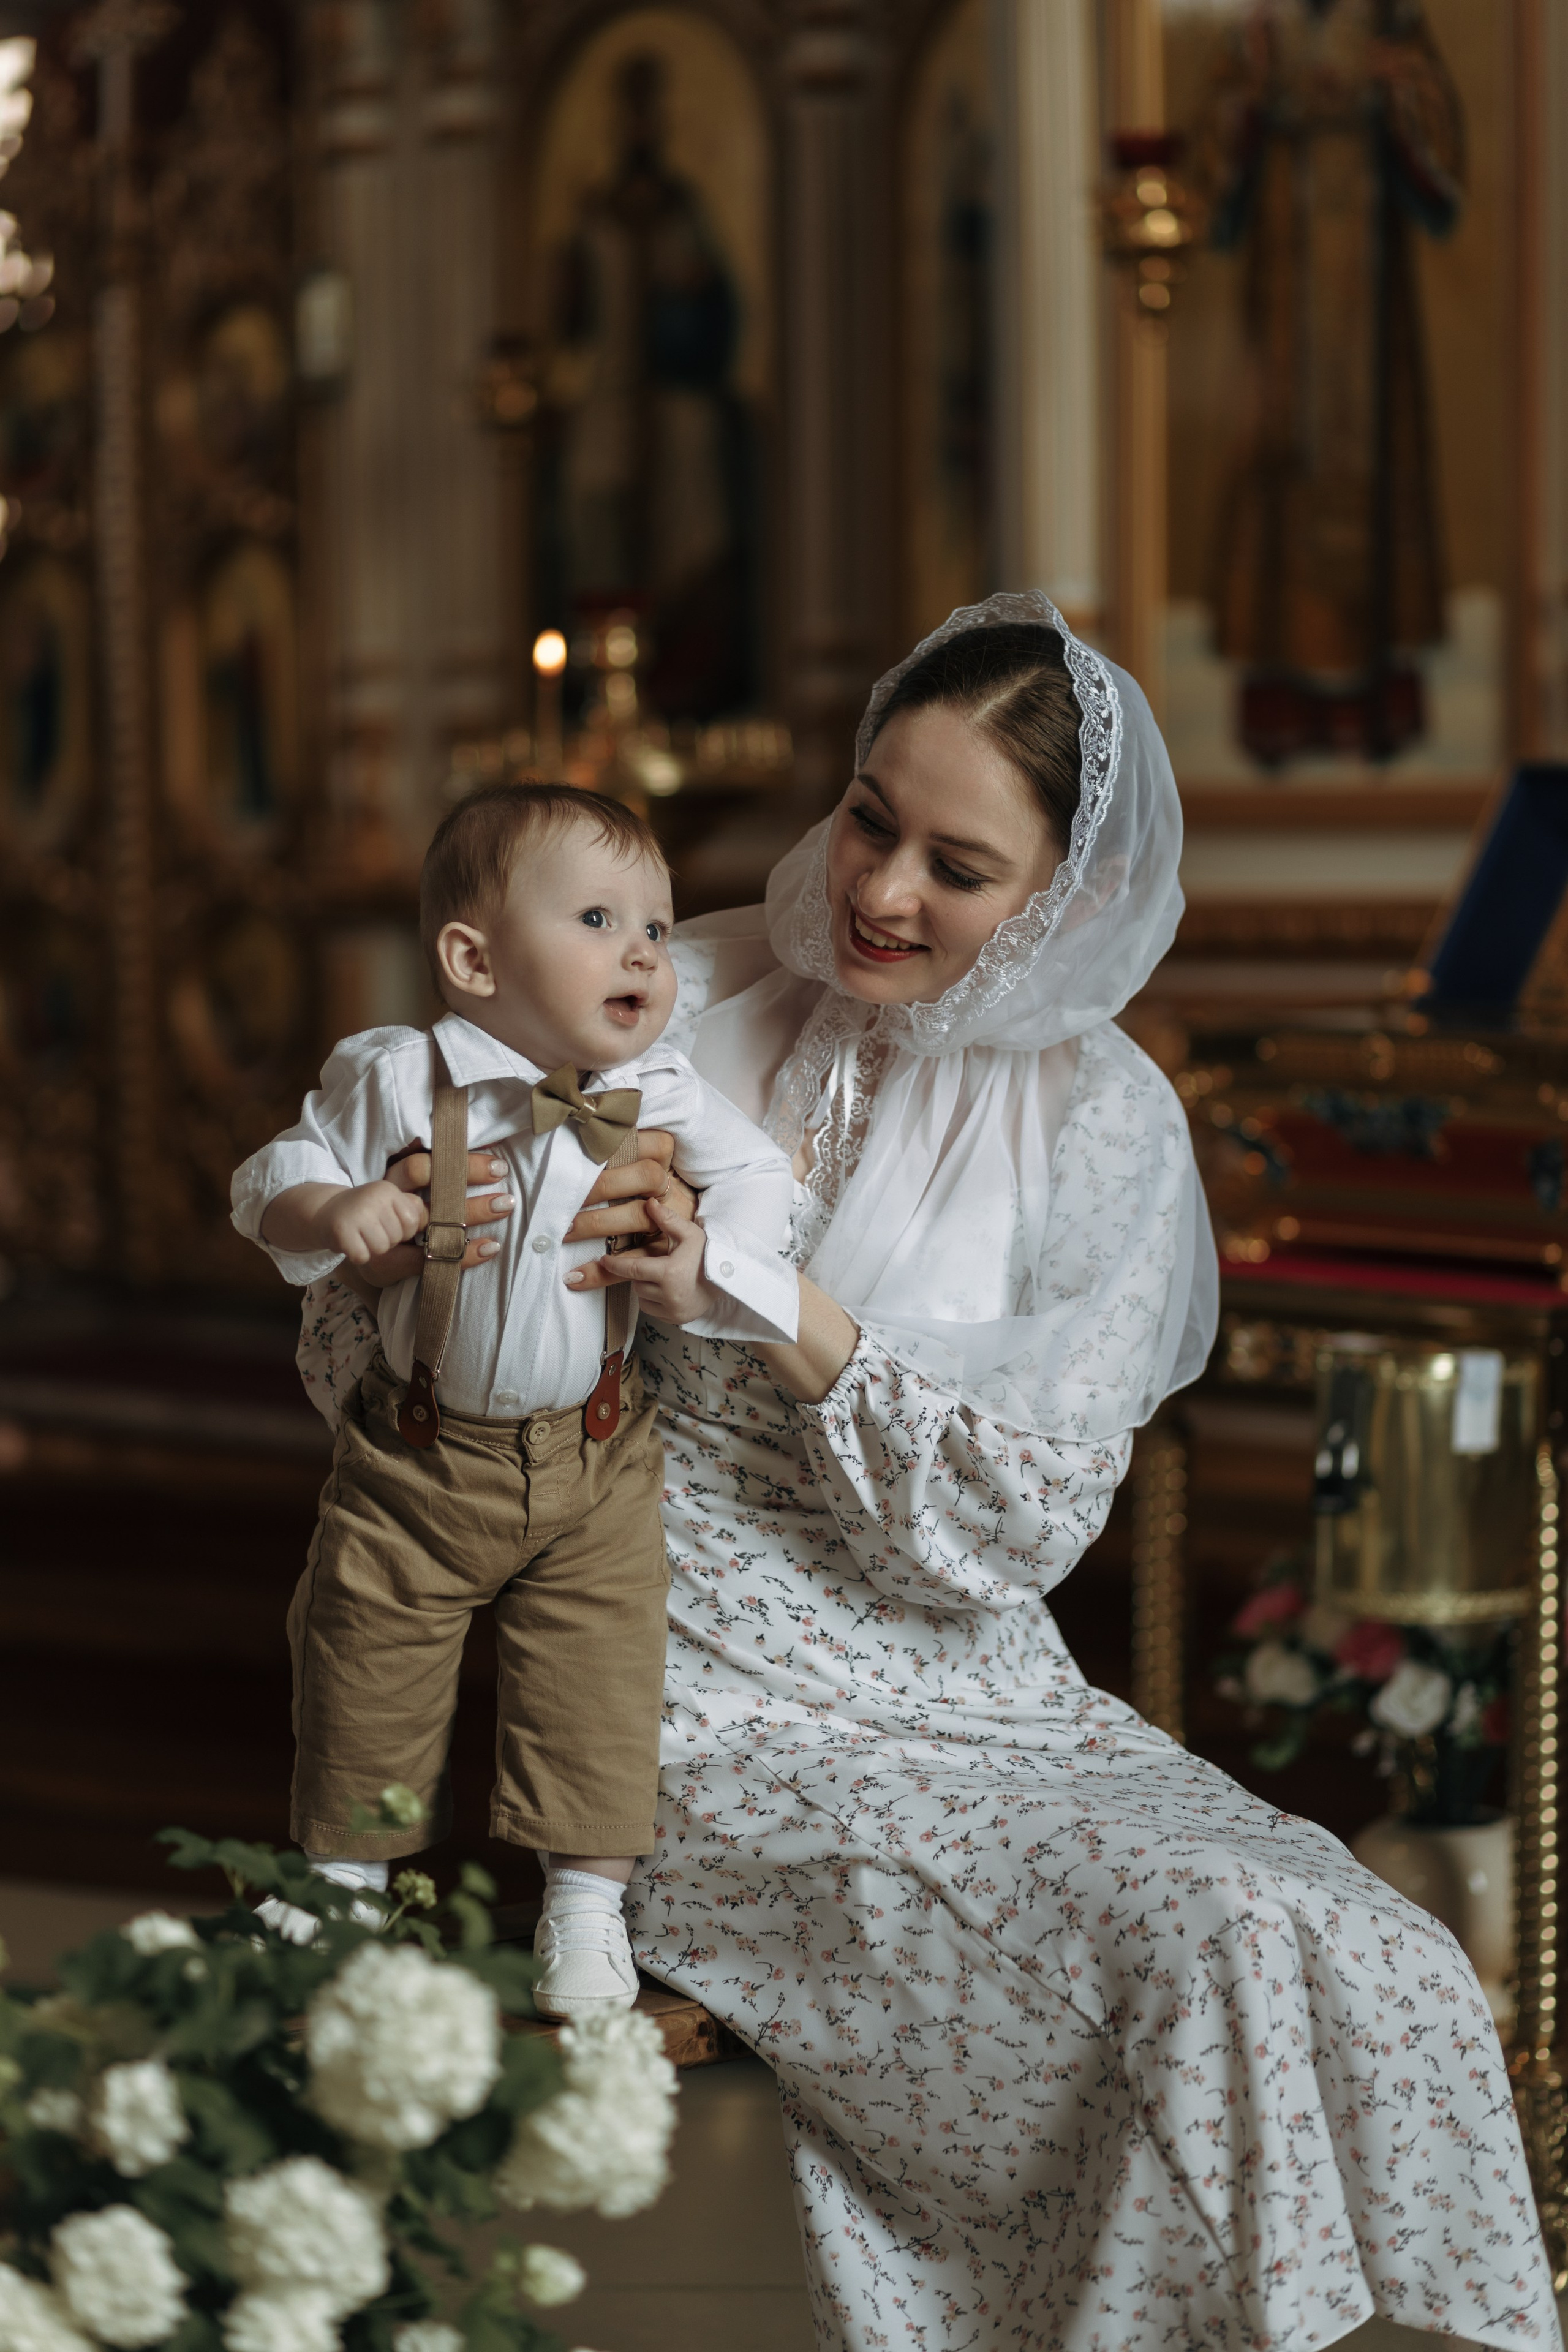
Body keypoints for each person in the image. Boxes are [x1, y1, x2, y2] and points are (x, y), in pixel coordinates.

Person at [300, 597, 1557, 2350]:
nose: (883, 889)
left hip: (983, 1695)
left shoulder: (1103, 1119)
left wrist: (771, 1305)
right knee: (1195, 1962)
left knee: (1370, 1954)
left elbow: (1020, 1525)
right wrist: (435, 1255)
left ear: (1065, 896)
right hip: (686, 1692)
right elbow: (386, 1374)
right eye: (874, 815)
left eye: (959, 868)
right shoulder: (669, 986)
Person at [231, 784, 797, 2016]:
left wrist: (706, 1263)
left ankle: (586, 1908)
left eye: (653, 926)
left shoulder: (655, 1089)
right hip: (420, 1459)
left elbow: (761, 1175)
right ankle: (342, 1884)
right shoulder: (401, 1075)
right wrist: (332, 1212)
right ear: (472, 959)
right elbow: (266, 1176)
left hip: (595, 1456)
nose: (642, 951)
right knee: (364, 1659)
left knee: (594, 1680)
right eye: (598, 918)